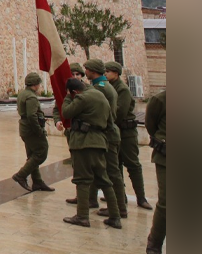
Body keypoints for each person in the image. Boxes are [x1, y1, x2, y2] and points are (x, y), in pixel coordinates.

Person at [58, 77, 120, 228]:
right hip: (100, 142)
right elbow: (110, 121)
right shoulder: (100, 95)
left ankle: (82, 216)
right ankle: (115, 216)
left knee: (82, 180)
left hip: (83, 143)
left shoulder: (81, 98)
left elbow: (66, 112)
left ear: (75, 91)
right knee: (104, 180)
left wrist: (67, 97)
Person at [83, 59, 127, 219]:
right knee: (107, 171)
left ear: (92, 71)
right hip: (108, 132)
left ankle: (119, 208)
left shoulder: (100, 88)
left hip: (107, 134)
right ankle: (115, 206)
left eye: (86, 69)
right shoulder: (104, 86)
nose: (85, 72)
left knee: (113, 172)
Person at [106, 62, 149, 209]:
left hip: (126, 132)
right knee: (115, 165)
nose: (106, 74)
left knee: (132, 164)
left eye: (108, 71)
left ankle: (141, 198)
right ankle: (120, 196)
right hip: (115, 132)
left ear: (116, 73)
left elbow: (120, 112)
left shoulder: (122, 89)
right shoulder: (110, 87)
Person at [11, 72, 55, 192]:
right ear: (36, 84)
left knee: (32, 156)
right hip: (31, 130)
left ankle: (38, 181)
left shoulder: (22, 94)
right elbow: (31, 115)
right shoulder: (31, 97)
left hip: (25, 128)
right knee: (41, 152)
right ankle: (21, 175)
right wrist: (39, 130)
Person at [145, 88, 166, 254]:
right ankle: (155, 241)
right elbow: (151, 125)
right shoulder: (161, 100)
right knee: (166, 202)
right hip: (167, 157)